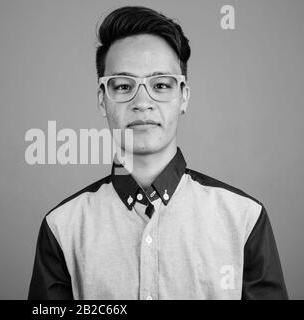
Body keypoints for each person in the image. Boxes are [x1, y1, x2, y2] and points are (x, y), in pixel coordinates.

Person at [28, 6, 288, 300]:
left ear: (183, 96)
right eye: (124, 85)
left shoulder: (244, 220)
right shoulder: (63, 227)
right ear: (102, 99)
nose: (142, 102)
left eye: (161, 85)